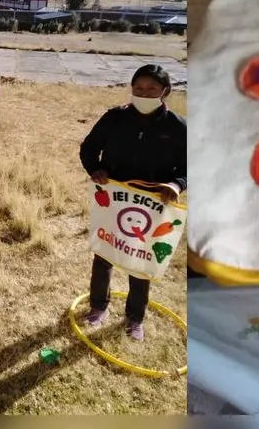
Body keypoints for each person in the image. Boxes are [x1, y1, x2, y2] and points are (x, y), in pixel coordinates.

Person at [78, 64, 187, 341]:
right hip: (114, 201)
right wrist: (96, 169)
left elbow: (189, 165)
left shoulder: (176, 126)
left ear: (165, 91)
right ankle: (98, 307)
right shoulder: (115, 118)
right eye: (138, 88)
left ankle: (135, 317)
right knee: (104, 254)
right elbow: (89, 148)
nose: (144, 93)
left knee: (141, 260)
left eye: (151, 88)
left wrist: (177, 184)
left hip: (152, 204)